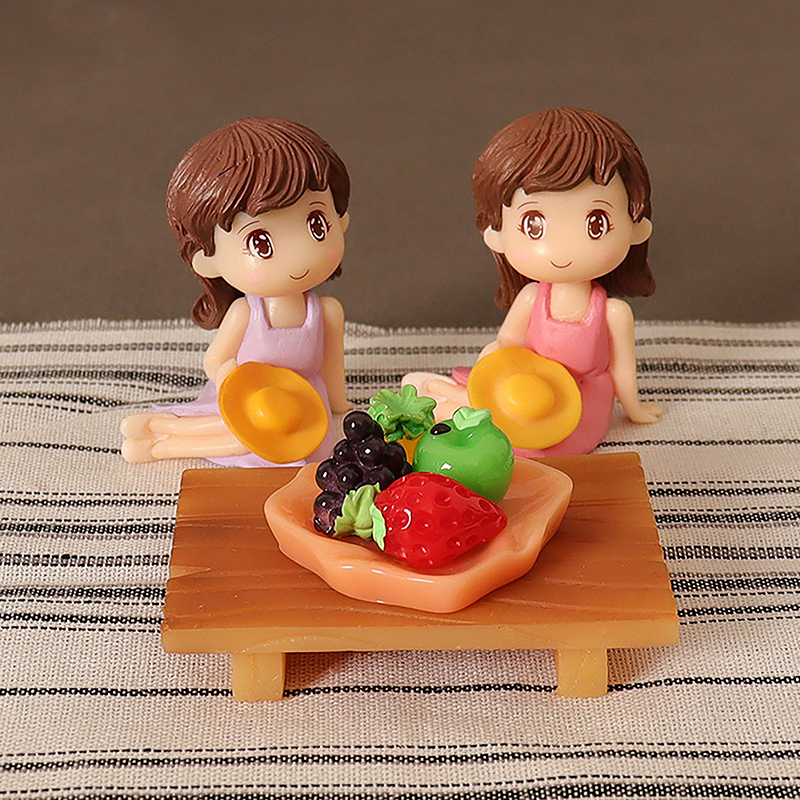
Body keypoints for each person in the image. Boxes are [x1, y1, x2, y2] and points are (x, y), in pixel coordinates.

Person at [403, 107, 662, 457]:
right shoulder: (530, 297)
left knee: (524, 439)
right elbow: (507, 342)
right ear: (496, 234)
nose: (562, 248)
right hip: (524, 389)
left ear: (636, 227)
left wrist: (635, 409)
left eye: (596, 223)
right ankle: (455, 404)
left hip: (580, 406)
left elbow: (622, 371)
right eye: (534, 225)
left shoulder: (613, 313)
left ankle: (458, 408)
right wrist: (495, 358)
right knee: (483, 398)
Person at [121, 117, 350, 465]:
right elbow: (214, 359)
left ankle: (160, 440)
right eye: (260, 242)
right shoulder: (246, 313)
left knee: (306, 449)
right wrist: (231, 380)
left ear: (340, 218)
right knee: (237, 438)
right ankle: (160, 435)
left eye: (316, 224)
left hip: (305, 405)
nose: (300, 253)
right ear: (208, 260)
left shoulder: (327, 311)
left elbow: (332, 366)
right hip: (249, 399)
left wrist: (338, 405)